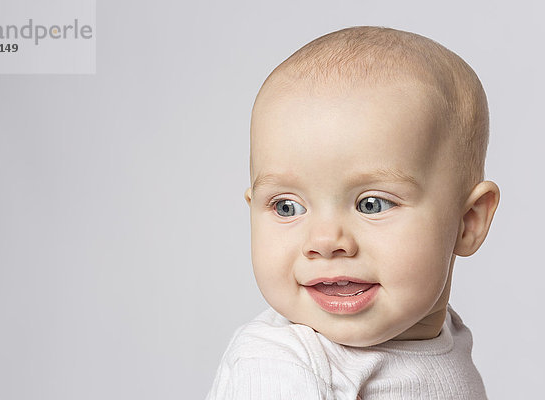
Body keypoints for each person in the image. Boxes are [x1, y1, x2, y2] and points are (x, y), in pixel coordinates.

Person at [206, 26, 499, 400]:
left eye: (371, 204)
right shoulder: (279, 365)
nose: (325, 242)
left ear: (468, 221)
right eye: (287, 206)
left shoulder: (446, 337)